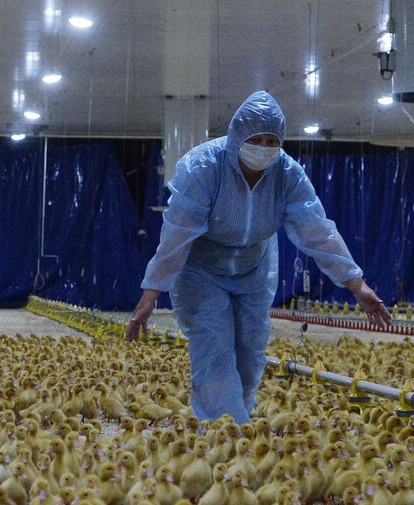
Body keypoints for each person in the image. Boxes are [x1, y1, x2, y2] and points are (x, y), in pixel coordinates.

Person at [127, 90, 391, 423]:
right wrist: (151, 294)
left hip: (253, 270)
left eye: (272, 141)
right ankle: (226, 433)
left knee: (251, 356)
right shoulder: (205, 168)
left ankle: (238, 418)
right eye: (256, 138)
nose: (264, 148)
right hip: (201, 271)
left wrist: (357, 285)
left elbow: (317, 232)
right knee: (214, 349)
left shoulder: (288, 174)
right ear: (237, 136)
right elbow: (177, 234)